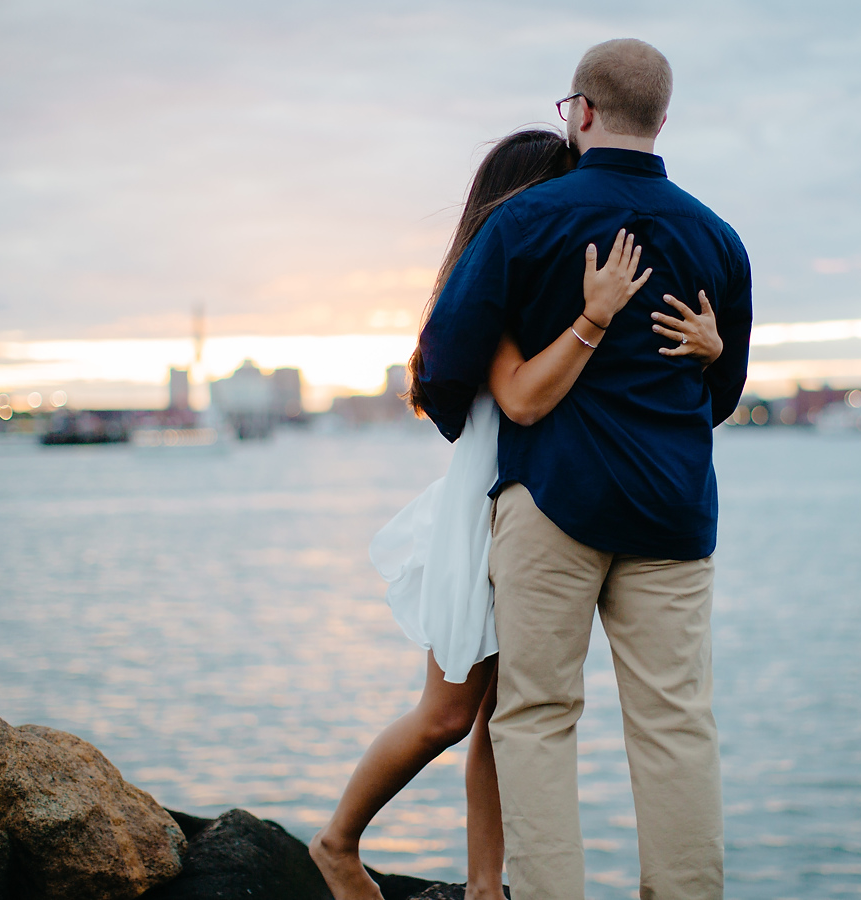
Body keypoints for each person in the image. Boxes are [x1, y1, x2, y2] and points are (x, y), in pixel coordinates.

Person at [310, 128, 725, 900]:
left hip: (539, 510)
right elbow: (521, 398)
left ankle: (484, 884)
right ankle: (336, 844)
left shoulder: (553, 292)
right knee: (448, 713)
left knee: (508, 714)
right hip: (483, 516)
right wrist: (592, 320)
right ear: (518, 200)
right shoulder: (502, 299)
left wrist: (712, 346)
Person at [414, 39, 753, 900]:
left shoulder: (524, 222)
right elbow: (722, 390)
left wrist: (489, 432)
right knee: (675, 725)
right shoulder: (718, 238)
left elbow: (445, 355)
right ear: (663, 120)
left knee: (534, 721)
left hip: (553, 501)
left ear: (584, 111)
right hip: (673, 511)